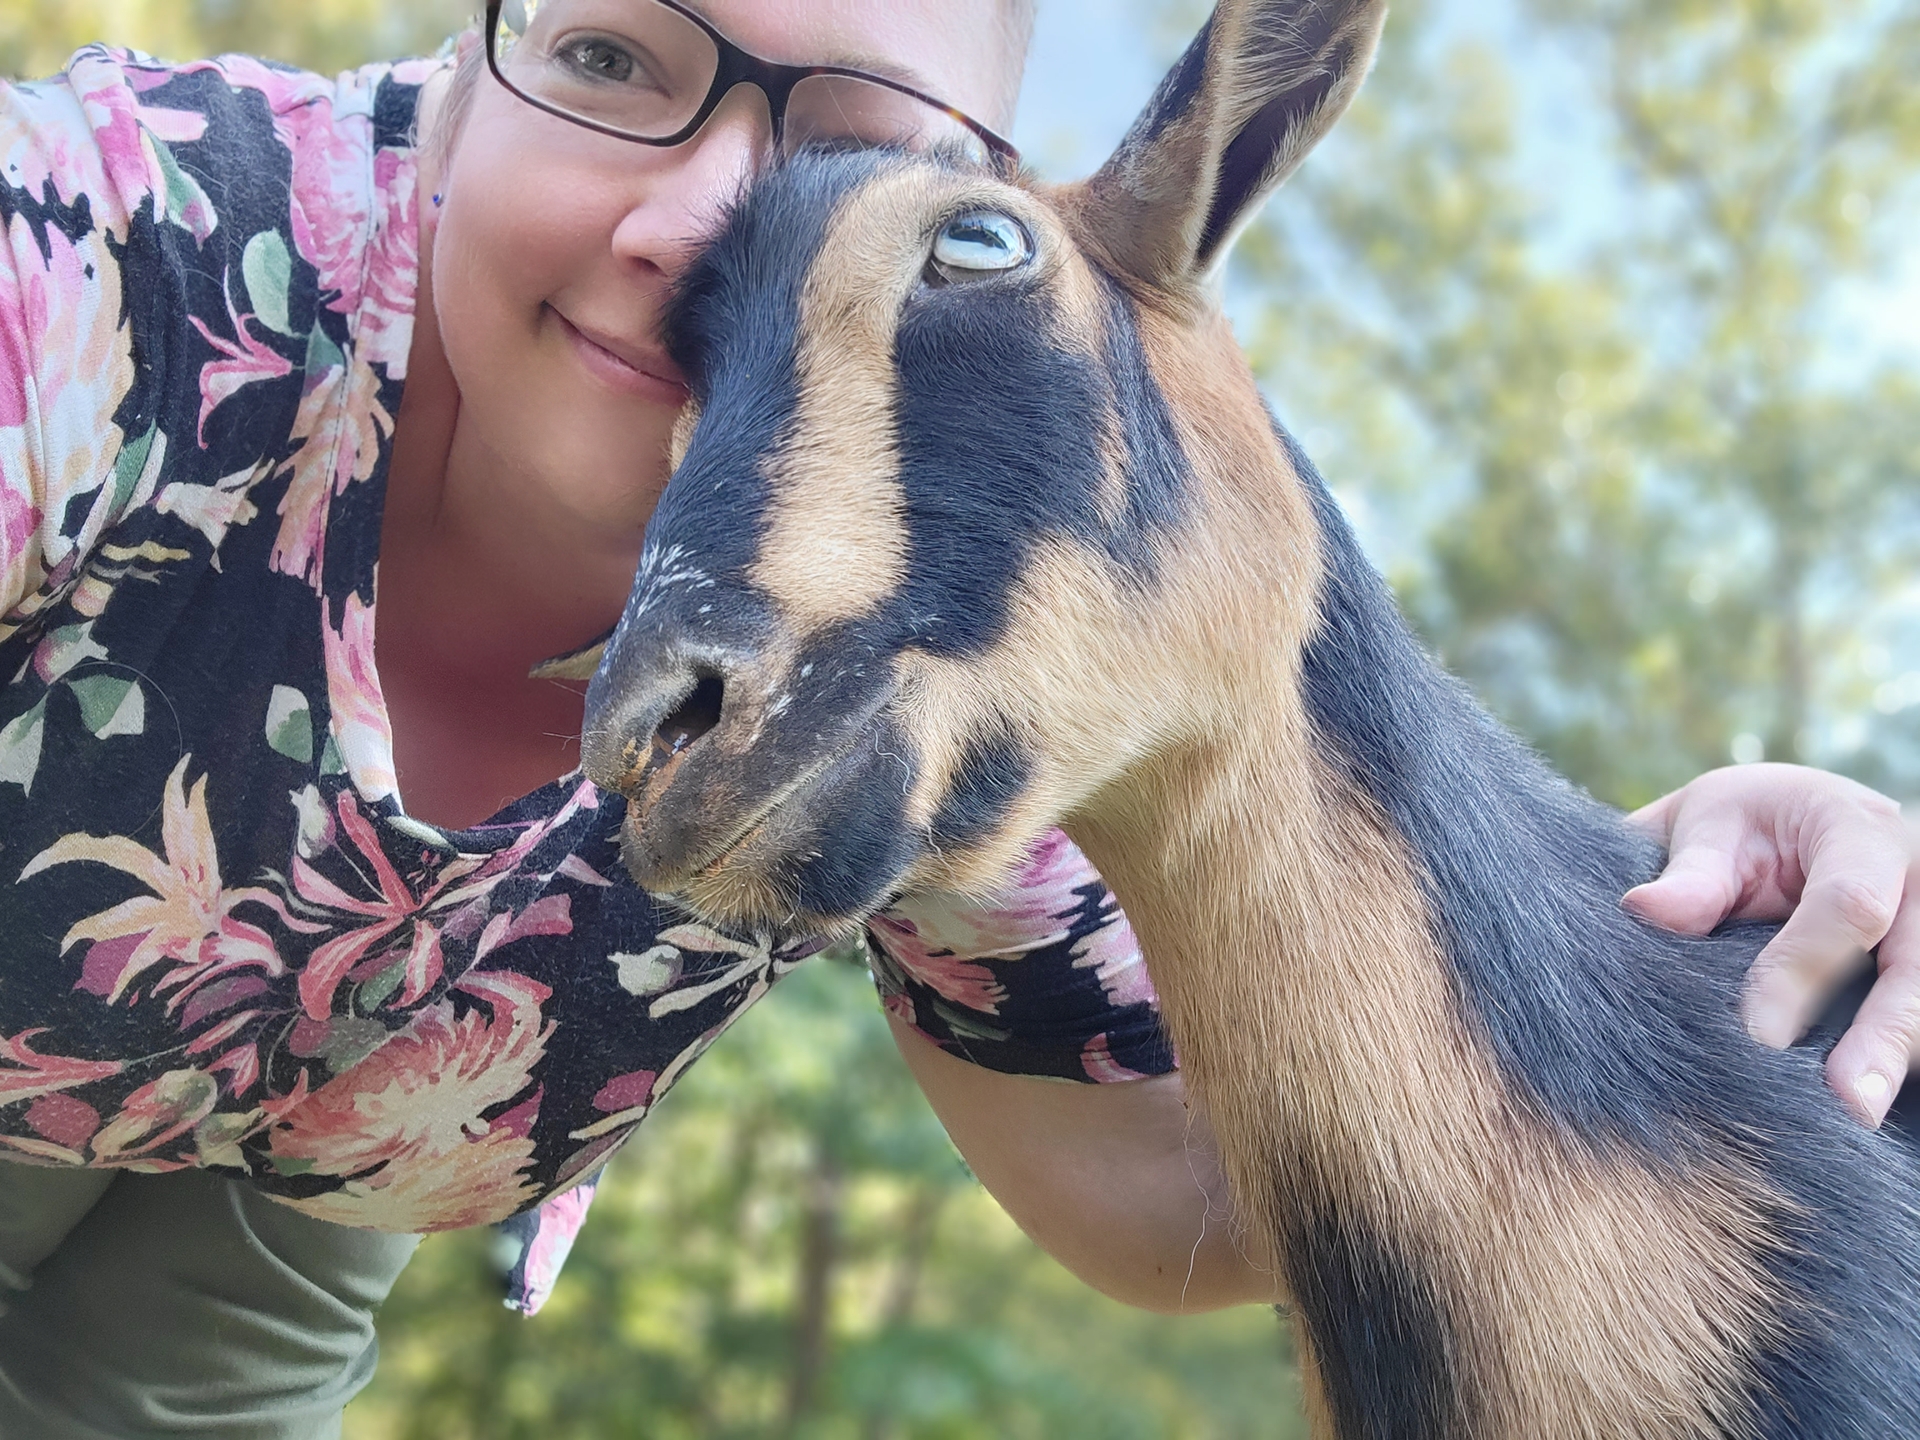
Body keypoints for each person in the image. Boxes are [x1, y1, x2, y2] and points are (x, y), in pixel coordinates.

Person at [0, 1, 1912, 1433]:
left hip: (275, 1225)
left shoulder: (895, 617)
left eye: (869, 153)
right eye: (603, 52)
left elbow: (1197, 1169)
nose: (701, 217)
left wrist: (1685, 910)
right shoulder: (99, 272)